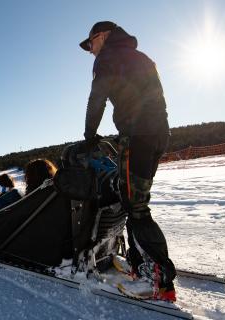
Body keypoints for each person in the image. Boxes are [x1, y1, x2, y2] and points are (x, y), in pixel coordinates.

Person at [79, 21, 176, 301]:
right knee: (132, 197)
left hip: (138, 136)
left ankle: (156, 280)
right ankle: (140, 266)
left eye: (91, 43)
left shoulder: (107, 58)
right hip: (158, 133)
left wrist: (89, 135)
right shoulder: (141, 57)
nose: (90, 51)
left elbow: (96, 98)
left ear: (104, 36)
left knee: (135, 205)